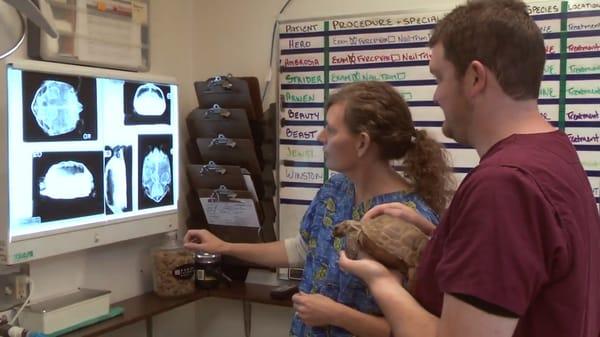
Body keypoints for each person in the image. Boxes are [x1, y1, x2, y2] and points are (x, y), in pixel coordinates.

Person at [339, 1, 600, 337]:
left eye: (440, 77)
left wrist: (381, 282)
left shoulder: (503, 185)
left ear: (475, 77)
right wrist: (443, 238)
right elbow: (532, 268)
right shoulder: (554, 154)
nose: (436, 96)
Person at [184, 81, 454, 337]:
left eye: (331, 130)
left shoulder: (409, 219)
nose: (320, 137)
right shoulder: (335, 190)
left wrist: (337, 315)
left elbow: (417, 328)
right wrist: (225, 247)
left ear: (362, 143)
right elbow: (302, 249)